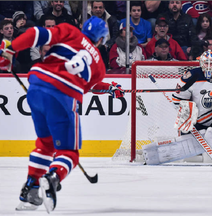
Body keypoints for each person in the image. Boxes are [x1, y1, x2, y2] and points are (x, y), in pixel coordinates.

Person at [0, 16, 124, 213]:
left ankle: (30, 191)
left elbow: (35, 34)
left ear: (83, 27)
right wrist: (110, 89)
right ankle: (52, 177)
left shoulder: (70, 31)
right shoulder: (99, 65)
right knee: (69, 153)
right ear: (101, 40)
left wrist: (10, 49)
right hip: (63, 96)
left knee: (45, 143)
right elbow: (91, 86)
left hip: (38, 86)